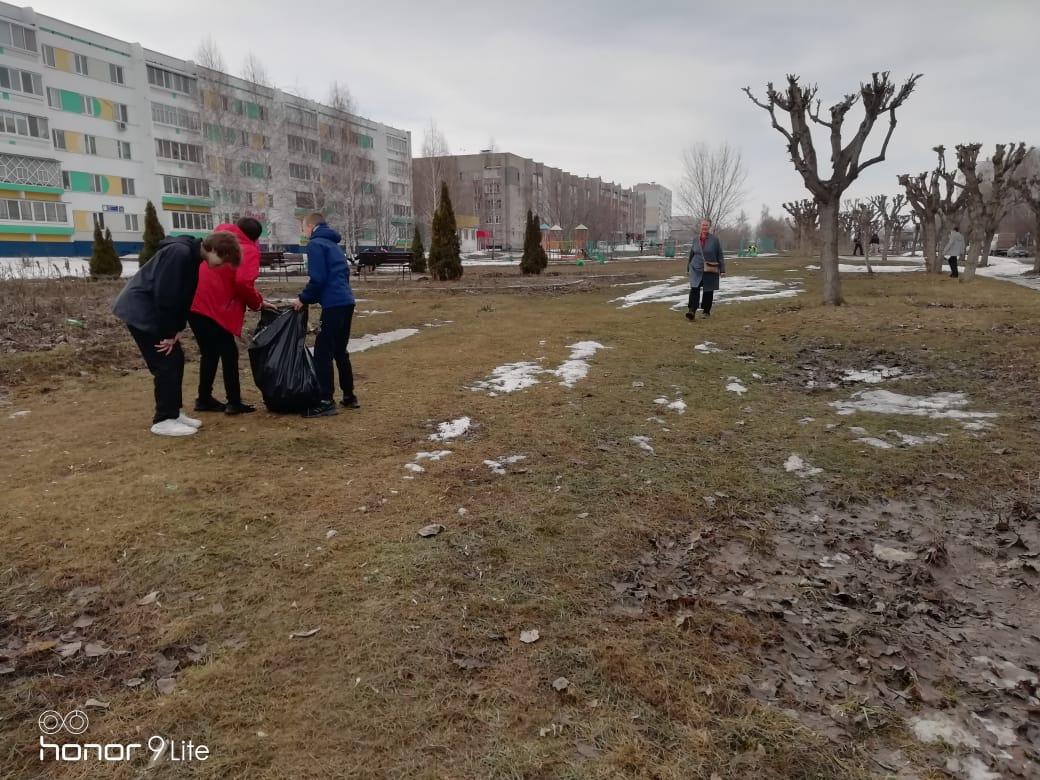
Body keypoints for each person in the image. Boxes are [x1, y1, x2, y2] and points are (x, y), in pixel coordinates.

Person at [112, 232, 242, 436]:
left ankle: (174, 413)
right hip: (140, 311)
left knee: (176, 358)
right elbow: (166, 295)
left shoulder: (192, 256)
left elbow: (184, 296)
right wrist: (167, 333)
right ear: (214, 250)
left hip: (152, 312)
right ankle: (163, 419)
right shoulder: (179, 253)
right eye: (224, 259)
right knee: (166, 362)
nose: (222, 265)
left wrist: (177, 329)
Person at [189, 217, 269, 415]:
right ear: (255, 238)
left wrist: (258, 300)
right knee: (229, 353)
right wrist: (257, 303)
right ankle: (233, 402)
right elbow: (243, 282)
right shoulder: (247, 249)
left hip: (194, 304)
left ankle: (204, 398)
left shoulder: (218, 237)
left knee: (209, 353)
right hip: (217, 308)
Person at [293, 212, 358, 418]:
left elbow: (318, 278)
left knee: (323, 352)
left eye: (303, 228)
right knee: (340, 350)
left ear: (310, 226)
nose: (303, 232)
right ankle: (349, 395)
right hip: (346, 301)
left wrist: (303, 298)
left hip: (333, 304)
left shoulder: (315, 244)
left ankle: (325, 400)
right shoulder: (333, 245)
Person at [686, 218, 725, 321]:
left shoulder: (714, 240)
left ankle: (706, 311)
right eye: (703, 225)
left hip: (710, 267)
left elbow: (720, 255)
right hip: (696, 268)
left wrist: (722, 269)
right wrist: (688, 268)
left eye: (706, 225)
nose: (704, 227)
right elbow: (691, 254)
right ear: (700, 226)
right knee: (694, 288)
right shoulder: (695, 239)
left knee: (708, 289)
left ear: (709, 226)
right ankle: (691, 311)